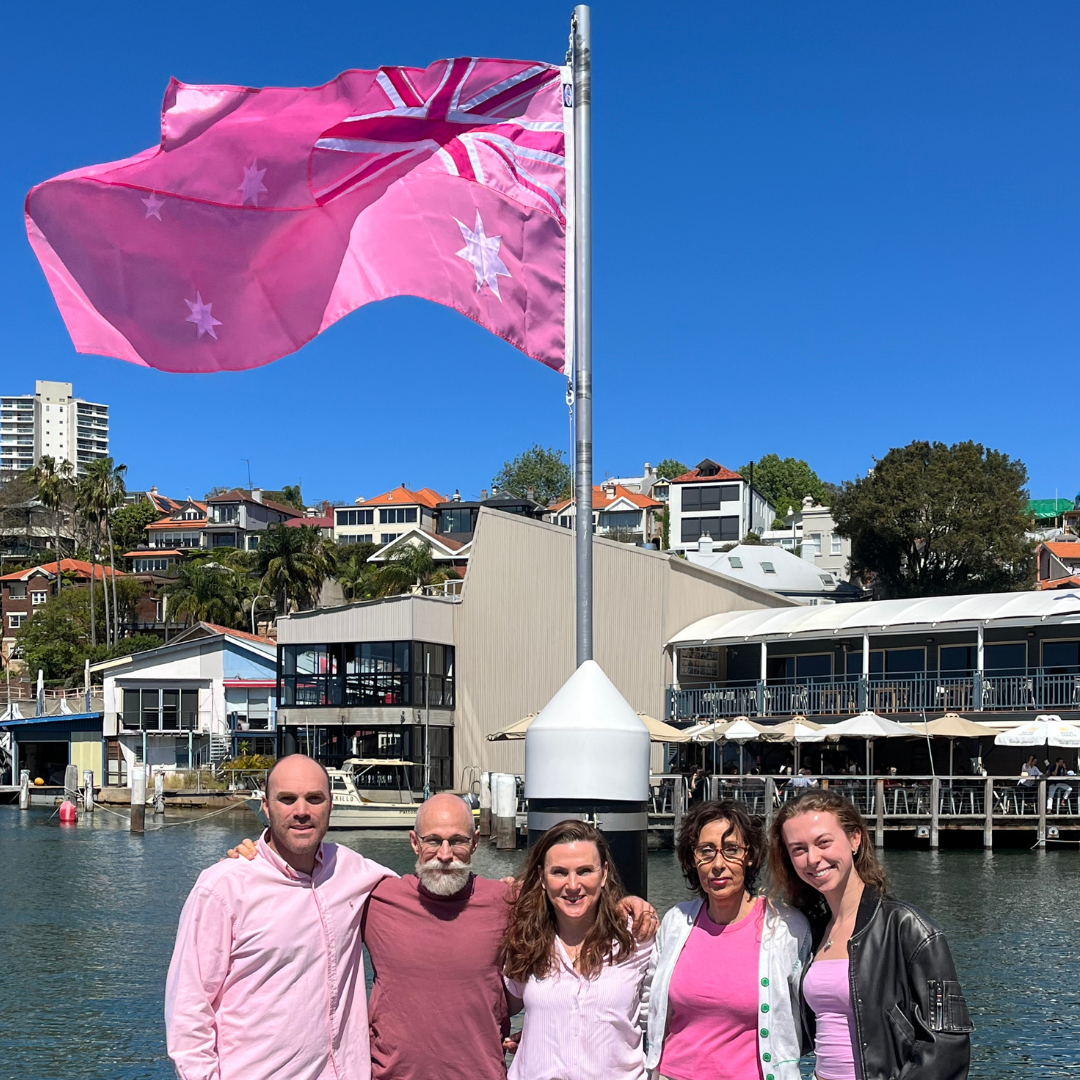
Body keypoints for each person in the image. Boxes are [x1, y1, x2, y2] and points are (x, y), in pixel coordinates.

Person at [227, 790, 659, 1080]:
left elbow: (571, 897)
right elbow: (306, 885)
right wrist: (260, 854)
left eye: (457, 841)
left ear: (475, 843)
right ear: (414, 843)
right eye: (433, 841)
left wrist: (629, 903)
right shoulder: (376, 896)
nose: (446, 855)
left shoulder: (509, 903)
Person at [165, 755, 395, 1080]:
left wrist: (495, 895)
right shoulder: (222, 888)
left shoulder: (356, 872)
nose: (301, 811)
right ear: (267, 806)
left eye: (314, 798)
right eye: (287, 799)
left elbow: (428, 893)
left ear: (331, 804)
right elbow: (188, 1012)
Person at [770, 790, 972, 1080]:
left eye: (823, 842)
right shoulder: (808, 930)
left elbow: (948, 1043)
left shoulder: (909, 928)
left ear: (855, 839)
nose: (813, 858)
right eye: (798, 849)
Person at [647, 800, 810, 1080]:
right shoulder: (676, 921)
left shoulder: (786, 927)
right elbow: (648, 1000)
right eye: (706, 851)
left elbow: (811, 1014)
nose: (718, 864)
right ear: (692, 858)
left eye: (731, 850)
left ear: (749, 856)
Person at [500, 819, 654, 1080]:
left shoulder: (637, 938)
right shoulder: (524, 938)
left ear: (604, 874)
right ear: (541, 877)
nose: (572, 885)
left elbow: (663, 1020)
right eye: (559, 872)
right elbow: (500, 1006)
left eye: (585, 871)